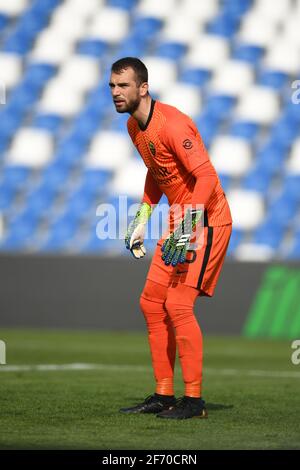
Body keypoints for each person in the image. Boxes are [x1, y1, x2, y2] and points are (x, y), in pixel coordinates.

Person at [109, 57, 232, 420]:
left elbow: (207, 178)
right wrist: (143, 217)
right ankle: (164, 395)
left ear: (143, 88)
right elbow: (156, 173)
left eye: (123, 86)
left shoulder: (173, 125)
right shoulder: (135, 127)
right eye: (112, 86)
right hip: (181, 221)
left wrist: (185, 226)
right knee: (151, 302)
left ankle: (194, 403)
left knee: (178, 305)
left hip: (207, 220)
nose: (116, 93)